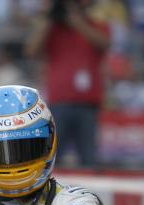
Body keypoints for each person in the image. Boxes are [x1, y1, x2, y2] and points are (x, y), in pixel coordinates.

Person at [25, 0, 110, 167]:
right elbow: (31, 50)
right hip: (59, 103)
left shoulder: (95, 26)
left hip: (87, 104)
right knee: (52, 158)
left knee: (89, 158)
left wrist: (77, 21)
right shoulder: (53, 30)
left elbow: (104, 43)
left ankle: (89, 193)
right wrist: (50, 18)